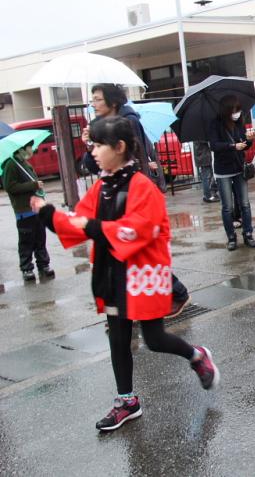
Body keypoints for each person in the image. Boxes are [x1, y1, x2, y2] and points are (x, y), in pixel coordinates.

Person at [30, 116, 219, 431]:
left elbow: (136, 231)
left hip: (142, 274)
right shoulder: (103, 187)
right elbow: (78, 221)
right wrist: (48, 213)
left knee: (154, 338)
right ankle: (126, 401)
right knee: (118, 338)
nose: (93, 151)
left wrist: (89, 226)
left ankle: (197, 355)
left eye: (99, 145)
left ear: (119, 147)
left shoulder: (144, 187)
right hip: (111, 273)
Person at [82, 83, 189, 317]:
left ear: (113, 102)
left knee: (140, 250)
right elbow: (88, 165)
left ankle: (175, 293)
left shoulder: (128, 122)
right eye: (93, 100)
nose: (93, 104)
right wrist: (90, 144)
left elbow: (134, 155)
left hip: (132, 193)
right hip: (112, 193)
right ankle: (124, 306)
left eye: (98, 99)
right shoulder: (97, 127)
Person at [209, 94, 255, 250]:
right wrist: (232, 146)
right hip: (223, 170)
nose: (237, 114)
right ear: (227, 110)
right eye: (234, 110)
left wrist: (249, 140)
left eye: (238, 110)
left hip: (238, 167)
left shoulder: (239, 123)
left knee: (245, 203)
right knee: (227, 206)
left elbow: (244, 144)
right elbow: (214, 146)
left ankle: (248, 234)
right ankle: (231, 237)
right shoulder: (215, 124)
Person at [2, 142, 54, 282]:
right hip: (24, 211)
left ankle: (44, 265)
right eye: (29, 147)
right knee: (26, 241)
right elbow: (10, 186)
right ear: (20, 149)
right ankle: (27, 269)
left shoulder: (24, 163)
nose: (32, 150)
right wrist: (33, 185)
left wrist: (37, 186)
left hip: (36, 208)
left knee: (40, 239)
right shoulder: (11, 164)